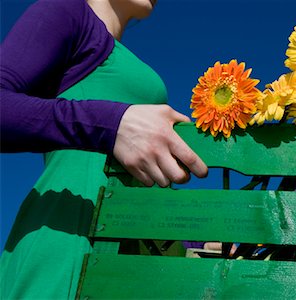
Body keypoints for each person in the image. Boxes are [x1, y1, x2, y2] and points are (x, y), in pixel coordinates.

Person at [0, 0, 208, 298]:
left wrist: (190, 243)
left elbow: (137, 179)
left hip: (134, 262)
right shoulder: (66, 10)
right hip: (70, 243)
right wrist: (111, 125)